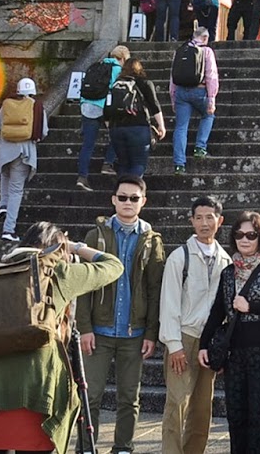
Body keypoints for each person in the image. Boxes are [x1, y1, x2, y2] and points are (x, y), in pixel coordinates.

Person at [0, 221, 122, 454]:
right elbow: (113, 266)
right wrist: (76, 246)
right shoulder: (58, 272)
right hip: (38, 393)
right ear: (57, 248)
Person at [76, 176, 167, 454]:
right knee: (90, 394)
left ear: (143, 202)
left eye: (134, 198)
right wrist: (84, 327)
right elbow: (84, 286)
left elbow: (155, 289)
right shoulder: (97, 236)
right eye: (123, 197)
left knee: (129, 396)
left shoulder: (152, 241)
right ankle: (86, 447)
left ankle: (123, 447)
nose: (128, 203)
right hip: (99, 331)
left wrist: (152, 332)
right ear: (113, 199)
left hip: (134, 333)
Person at [199, 211, 260, 454]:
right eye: (239, 234)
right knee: (236, 412)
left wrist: (252, 306)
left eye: (251, 234)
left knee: (259, 412)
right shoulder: (229, 272)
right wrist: (203, 345)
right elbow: (218, 310)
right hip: (235, 352)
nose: (245, 239)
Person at [159, 196, 232, 454]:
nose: (204, 223)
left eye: (210, 217)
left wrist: (222, 348)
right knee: (177, 404)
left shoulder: (227, 261)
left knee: (203, 407)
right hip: (184, 337)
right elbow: (168, 303)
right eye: (199, 217)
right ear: (191, 220)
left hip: (210, 342)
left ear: (219, 221)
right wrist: (174, 345)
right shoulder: (179, 257)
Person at [0, 77, 45, 244]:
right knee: (16, 190)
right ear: (32, 91)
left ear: (18, 90)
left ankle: (3, 205)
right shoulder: (37, 106)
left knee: (5, 175)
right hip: (24, 152)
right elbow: (43, 131)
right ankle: (8, 230)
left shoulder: (7, 105)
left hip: (4, 151)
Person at [78, 45, 127, 192]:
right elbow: (116, 92)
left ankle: (82, 177)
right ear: (123, 58)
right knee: (118, 135)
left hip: (87, 106)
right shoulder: (118, 70)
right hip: (104, 107)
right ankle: (108, 163)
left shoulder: (95, 66)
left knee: (87, 145)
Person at [171, 26, 220, 174]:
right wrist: (212, 98)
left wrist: (173, 98)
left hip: (181, 92)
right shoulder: (206, 51)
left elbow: (173, 77)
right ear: (205, 38)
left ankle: (179, 164)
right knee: (208, 115)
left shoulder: (180, 51)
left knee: (181, 127)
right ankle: (200, 147)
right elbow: (211, 75)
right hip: (200, 90)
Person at [108, 54, 166, 178]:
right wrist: (161, 126)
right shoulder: (145, 83)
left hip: (116, 128)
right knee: (138, 163)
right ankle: (132, 191)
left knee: (123, 164)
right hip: (138, 128)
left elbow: (107, 108)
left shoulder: (116, 84)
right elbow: (154, 105)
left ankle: (121, 192)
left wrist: (110, 125)